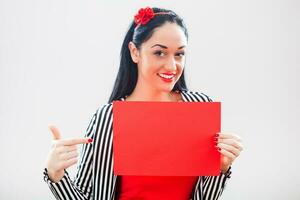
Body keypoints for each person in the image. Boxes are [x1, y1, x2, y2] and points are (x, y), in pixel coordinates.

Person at [44, 6, 243, 200]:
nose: (172, 65)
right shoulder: (109, 118)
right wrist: (56, 175)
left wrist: (221, 166)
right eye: (159, 53)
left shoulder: (199, 107)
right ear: (134, 52)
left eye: (179, 53)